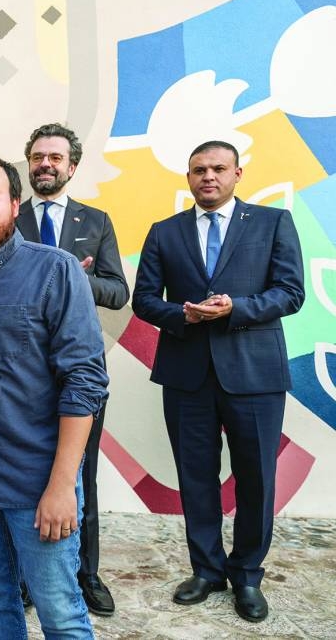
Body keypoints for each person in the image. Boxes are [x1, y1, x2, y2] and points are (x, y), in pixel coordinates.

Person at [0, 152, 108, 638]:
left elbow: (86, 382)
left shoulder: (56, 271)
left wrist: (62, 487)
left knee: (60, 612)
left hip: (36, 482)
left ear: (14, 204)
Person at [132, 140, 304, 623]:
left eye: (218, 168)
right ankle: (206, 570)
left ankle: (247, 574)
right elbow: (144, 299)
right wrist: (183, 315)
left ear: (237, 173)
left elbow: (291, 293)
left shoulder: (273, 223)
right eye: (199, 170)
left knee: (257, 480)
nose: (208, 176)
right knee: (195, 477)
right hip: (187, 375)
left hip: (255, 374)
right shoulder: (164, 232)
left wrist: (237, 309)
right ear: (188, 177)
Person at [15, 123, 129, 616]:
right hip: (19, 372)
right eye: (38, 157)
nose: (45, 164)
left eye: (55, 157)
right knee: (21, 476)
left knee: (82, 474)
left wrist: (75, 276)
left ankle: (86, 574)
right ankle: (25, 577)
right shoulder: (9, 215)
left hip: (78, 371)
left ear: (72, 166)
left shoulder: (96, 221)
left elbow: (118, 291)